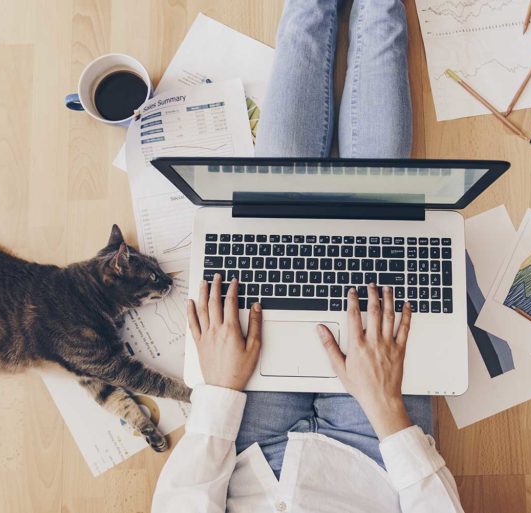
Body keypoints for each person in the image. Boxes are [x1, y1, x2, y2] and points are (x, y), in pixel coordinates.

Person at [151, 1, 464, 511]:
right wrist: (386, 406)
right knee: (379, 219)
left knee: (277, 216)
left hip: (245, 453)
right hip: (377, 457)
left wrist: (219, 395)